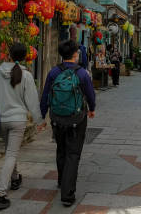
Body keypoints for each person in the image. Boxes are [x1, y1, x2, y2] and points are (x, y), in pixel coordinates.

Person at [0, 43, 45, 211]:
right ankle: (0, 194)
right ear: (25, 57)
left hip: (1, 120)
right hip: (18, 120)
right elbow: (32, 101)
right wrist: (39, 121)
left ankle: (15, 178)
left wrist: (0, 97)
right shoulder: (26, 76)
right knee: (11, 153)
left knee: (10, 150)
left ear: (8, 55)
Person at [40, 40, 96, 207]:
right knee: (73, 154)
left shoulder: (54, 72)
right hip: (76, 118)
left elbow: (45, 96)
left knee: (61, 149)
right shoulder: (82, 74)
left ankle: (61, 180)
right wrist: (92, 109)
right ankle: (67, 194)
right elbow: (91, 95)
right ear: (75, 55)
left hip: (56, 117)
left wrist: (42, 116)